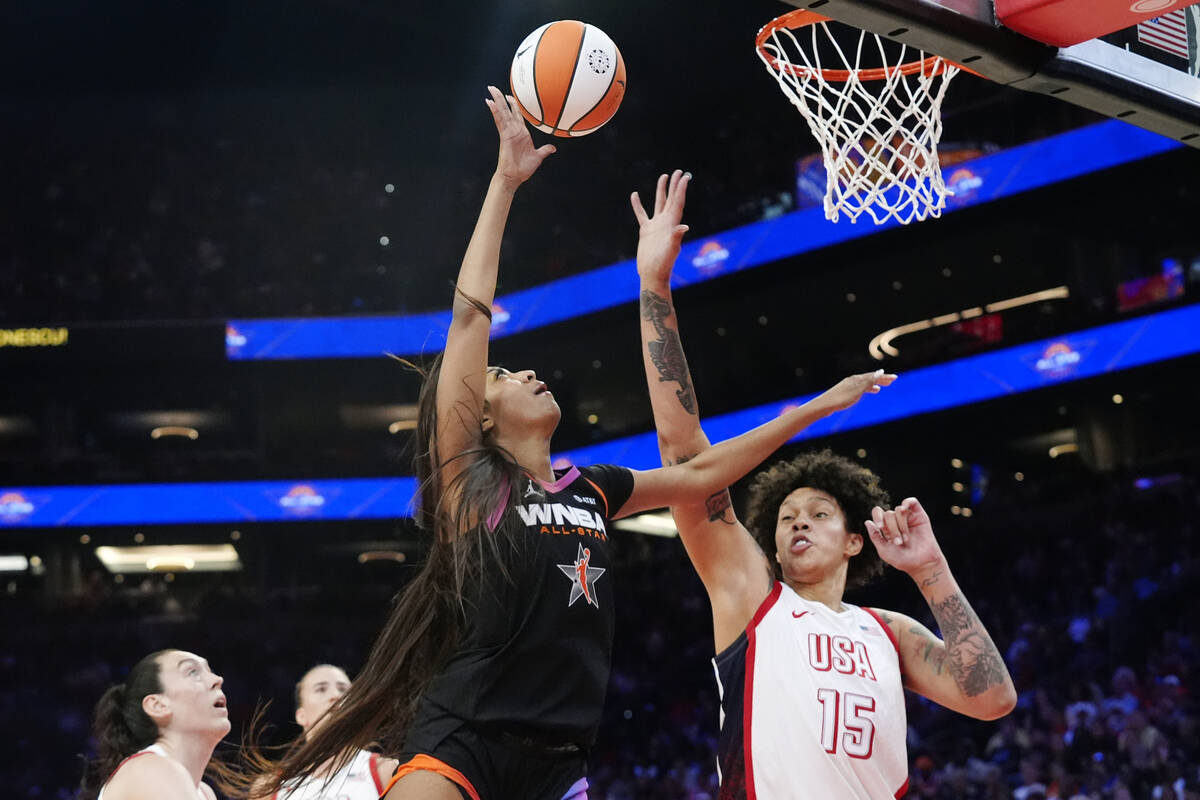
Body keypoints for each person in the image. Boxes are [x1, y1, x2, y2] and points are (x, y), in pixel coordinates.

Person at [260, 89, 897, 800]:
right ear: (485, 420)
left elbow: (704, 469)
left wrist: (818, 406)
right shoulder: (469, 482)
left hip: (560, 756)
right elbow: (470, 322)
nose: (528, 370)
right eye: (505, 374)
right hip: (464, 736)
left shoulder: (590, 486)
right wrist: (505, 183)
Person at [632, 169, 1017, 799]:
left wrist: (931, 571)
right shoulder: (753, 598)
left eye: (816, 513)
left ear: (854, 541)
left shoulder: (888, 632)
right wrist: (654, 285)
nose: (798, 523)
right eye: (786, 518)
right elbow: (682, 454)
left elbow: (993, 698)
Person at [79, 649, 232, 800]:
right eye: (192, 672)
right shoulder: (151, 769)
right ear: (157, 706)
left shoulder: (205, 793)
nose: (217, 679)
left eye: (209, 670)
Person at [257, 664, 399, 799]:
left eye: (343, 689)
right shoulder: (269, 787)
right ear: (301, 716)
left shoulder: (386, 770)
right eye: (321, 689)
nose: (336, 696)